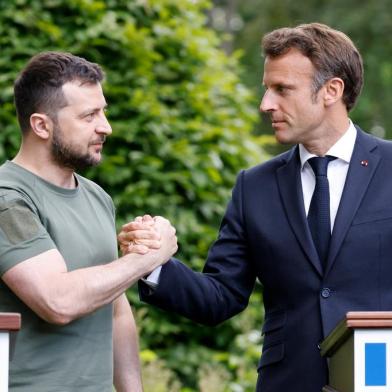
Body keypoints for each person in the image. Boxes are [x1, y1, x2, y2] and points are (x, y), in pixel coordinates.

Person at [119, 22, 392, 391]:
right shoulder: (255, 186)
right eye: (267, 89)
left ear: (332, 90)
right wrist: (151, 263)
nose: (266, 104)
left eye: (282, 89)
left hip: (380, 377)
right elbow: (220, 297)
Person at [0, 51, 177, 392]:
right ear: (41, 125)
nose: (105, 127)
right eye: (89, 115)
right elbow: (57, 301)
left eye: (103, 111)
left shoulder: (97, 197)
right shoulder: (8, 199)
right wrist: (149, 257)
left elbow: (116, 310)